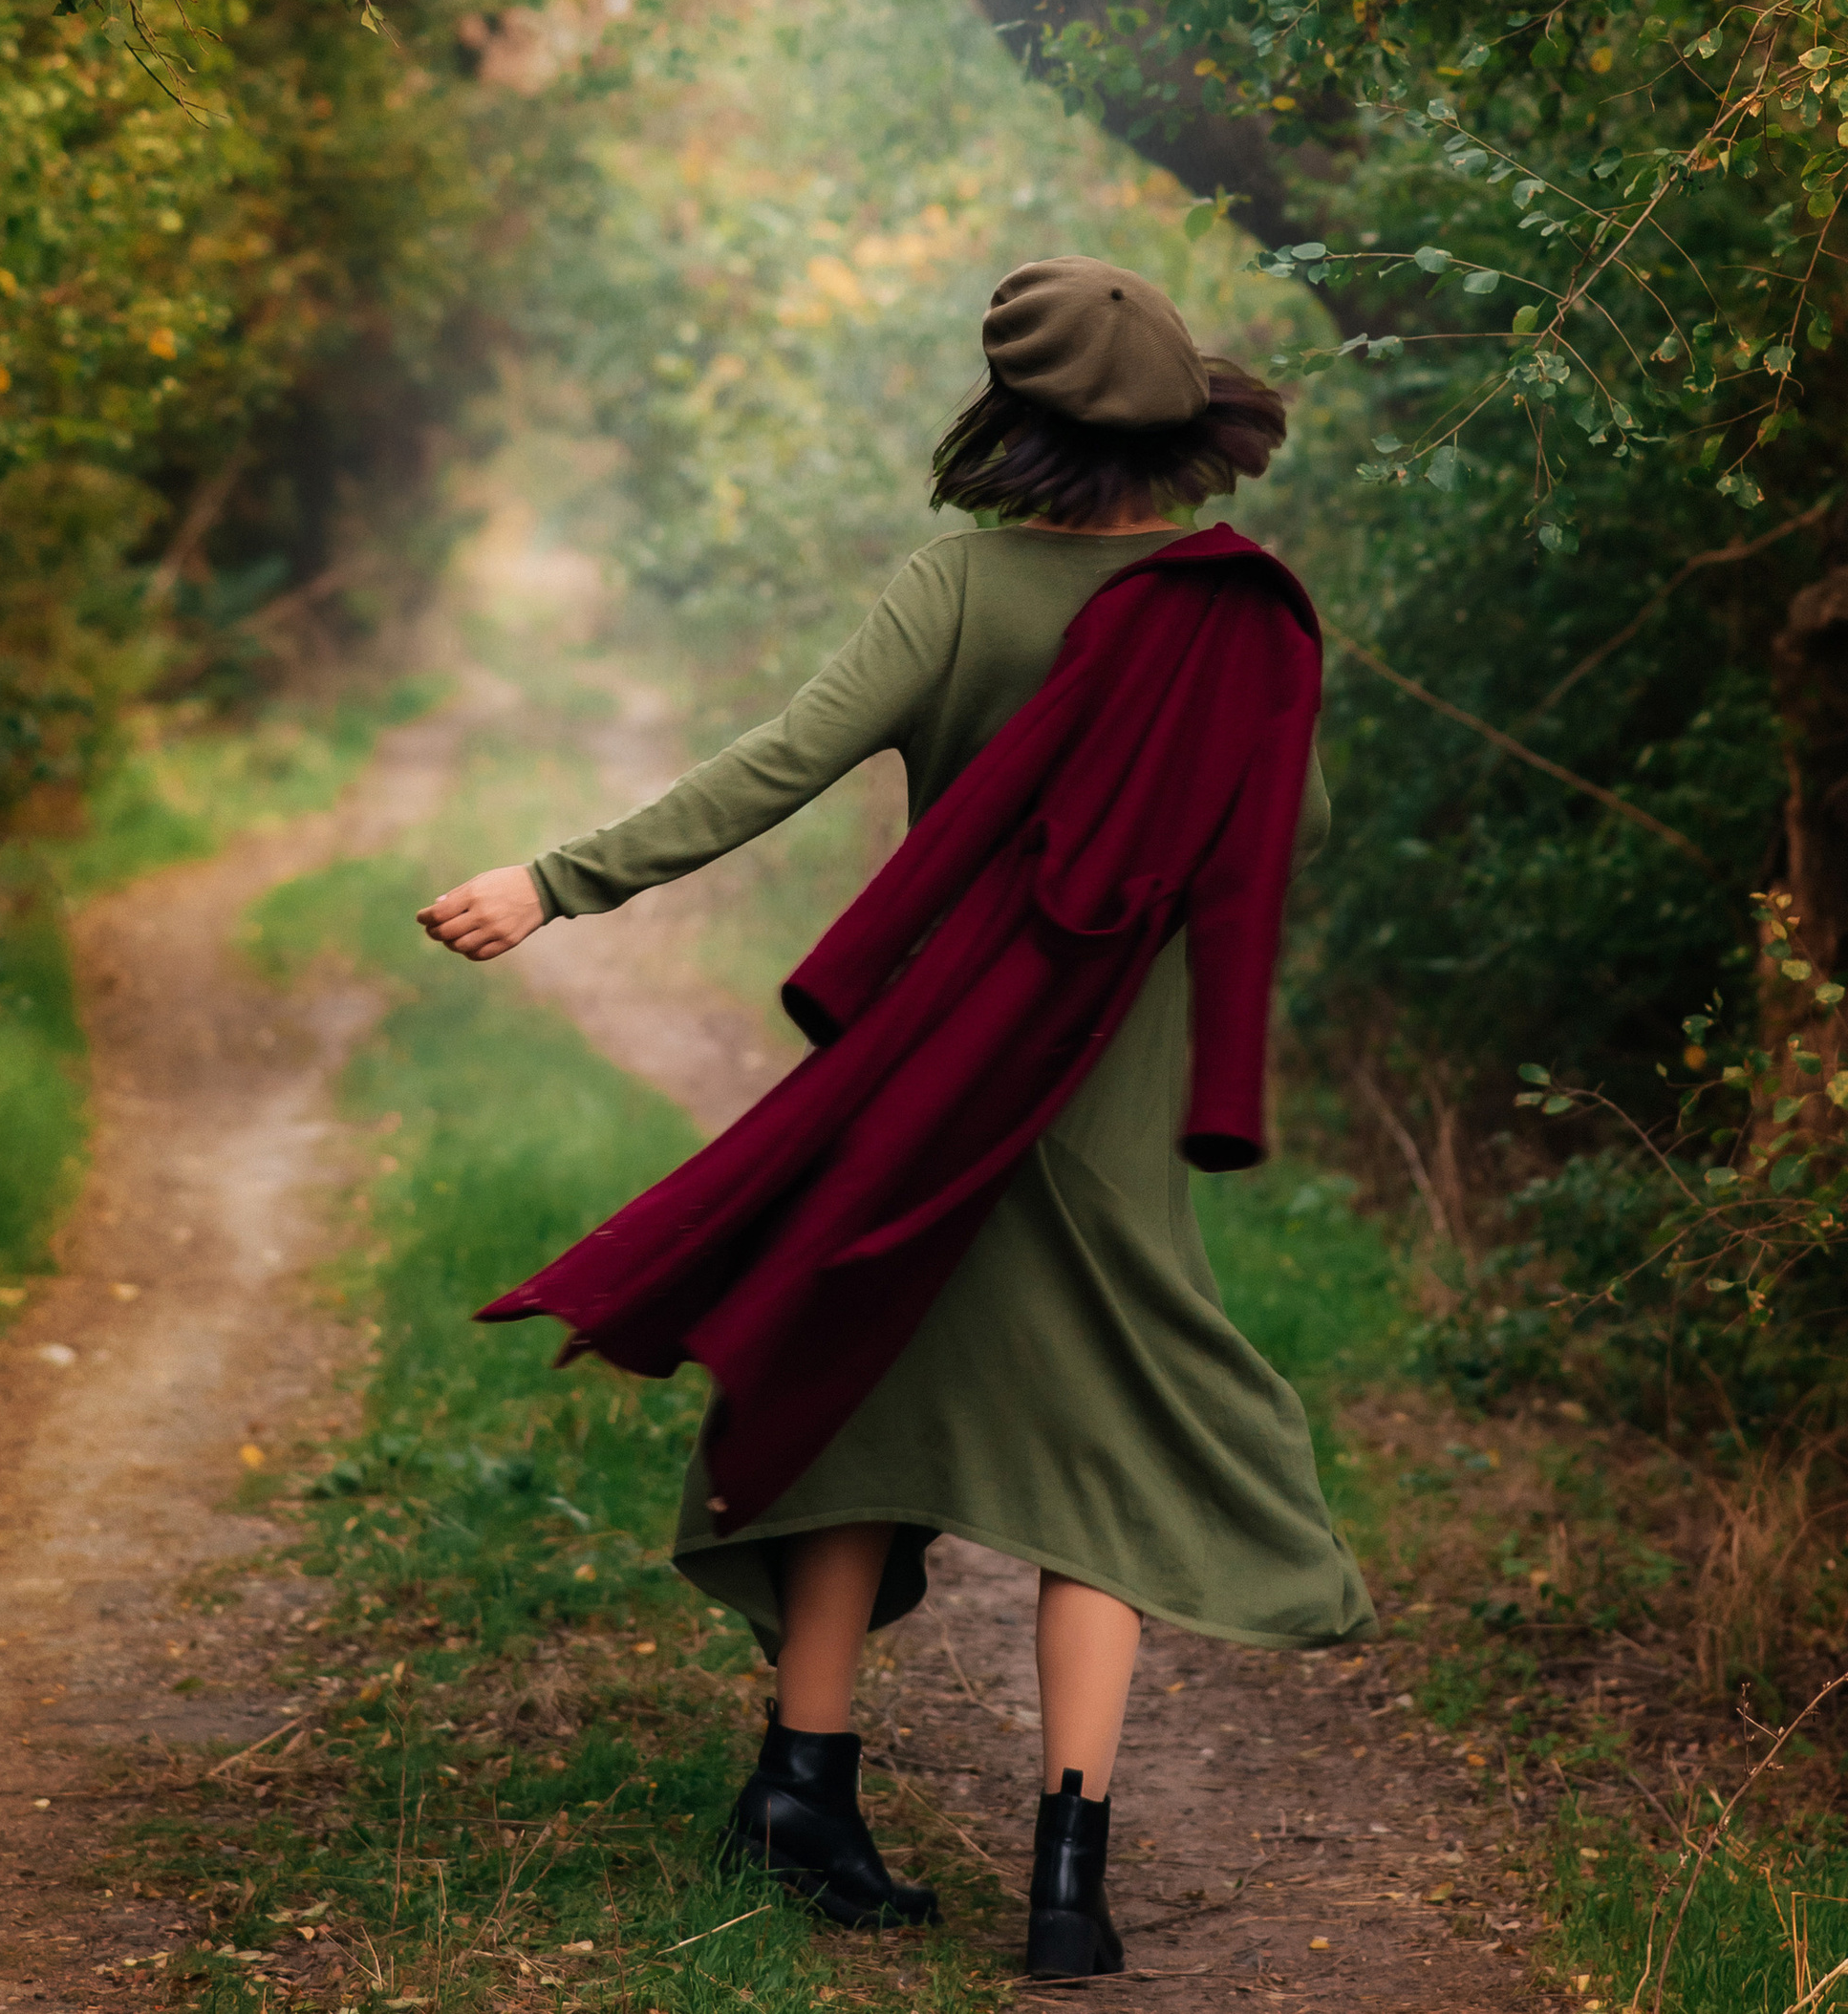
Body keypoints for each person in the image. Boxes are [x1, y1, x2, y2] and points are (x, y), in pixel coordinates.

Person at [419, 255, 1376, 1977]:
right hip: (1114, 1075)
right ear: (1181, 425)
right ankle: (1067, 1880)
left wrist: (555, 880)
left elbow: (775, 762)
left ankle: (806, 1787)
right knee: (1118, 1453)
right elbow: (1284, 834)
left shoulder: (954, 585)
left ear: (1016, 420)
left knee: (850, 1364)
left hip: (933, 1059)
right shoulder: (1244, 614)